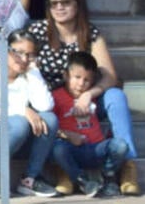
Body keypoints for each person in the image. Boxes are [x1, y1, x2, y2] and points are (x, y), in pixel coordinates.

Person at [20, 0, 141, 196]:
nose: (59, 7)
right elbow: (22, 67)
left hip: (86, 100)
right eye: (53, 3)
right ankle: (64, 171)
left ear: (77, 4)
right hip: (51, 102)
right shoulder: (37, 31)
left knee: (116, 96)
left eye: (65, 2)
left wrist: (89, 95)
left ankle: (128, 166)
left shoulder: (90, 32)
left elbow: (110, 75)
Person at [0, 30, 60, 199]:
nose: (24, 60)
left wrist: (34, 71)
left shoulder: (29, 72)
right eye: (18, 53)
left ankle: (30, 179)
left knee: (49, 119)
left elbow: (45, 105)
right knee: (19, 123)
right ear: (5, 49)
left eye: (30, 55)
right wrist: (21, 110)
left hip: (19, 139)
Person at [51, 53, 131, 198]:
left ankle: (109, 178)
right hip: (73, 148)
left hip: (97, 148)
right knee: (58, 149)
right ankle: (83, 181)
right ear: (65, 76)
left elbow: (118, 82)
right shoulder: (56, 96)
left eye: (87, 80)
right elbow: (49, 126)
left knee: (120, 146)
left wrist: (91, 91)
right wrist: (67, 135)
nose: (81, 84)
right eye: (77, 77)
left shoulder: (93, 95)